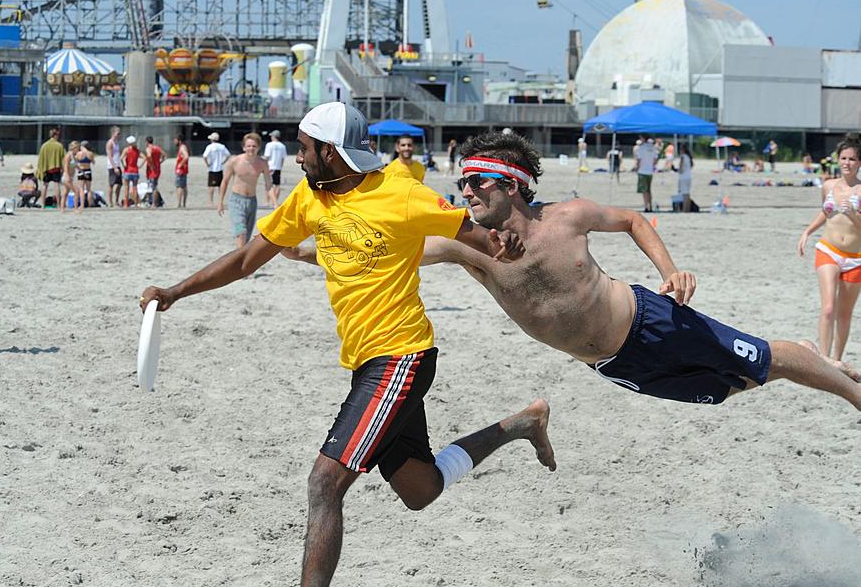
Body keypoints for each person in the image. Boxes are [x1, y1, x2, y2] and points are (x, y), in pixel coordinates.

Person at [140, 103, 552, 587]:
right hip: (367, 364)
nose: (299, 156)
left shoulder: (402, 193)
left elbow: (483, 240)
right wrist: (174, 292)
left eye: (306, 148)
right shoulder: (311, 196)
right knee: (420, 490)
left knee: (324, 483)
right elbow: (245, 262)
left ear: (329, 151)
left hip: (401, 358)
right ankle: (520, 424)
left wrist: (508, 243)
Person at [291, 131, 861, 411]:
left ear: (509, 185)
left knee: (766, 358)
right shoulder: (465, 246)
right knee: (731, 389)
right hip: (613, 363)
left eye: (476, 183)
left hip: (651, 320)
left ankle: (846, 388)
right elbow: (388, 253)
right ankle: (828, 367)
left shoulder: (567, 217)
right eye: (460, 184)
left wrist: (672, 270)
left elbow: (635, 220)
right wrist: (308, 252)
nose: (464, 192)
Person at [796, 134, 861, 366]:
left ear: (859, 163)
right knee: (828, 308)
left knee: (844, 314)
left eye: (852, 159)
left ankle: (837, 360)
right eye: (843, 158)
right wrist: (807, 232)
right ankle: (823, 360)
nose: (847, 163)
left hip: (855, 257)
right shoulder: (829, 186)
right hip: (829, 249)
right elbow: (825, 212)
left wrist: (853, 214)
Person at [217, 132, 273, 248]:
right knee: (240, 232)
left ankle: (240, 260)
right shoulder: (234, 161)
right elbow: (225, 181)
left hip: (252, 202)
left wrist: (275, 203)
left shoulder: (262, 163)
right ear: (243, 147)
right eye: (248, 146)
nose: (251, 149)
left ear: (258, 147)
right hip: (236, 202)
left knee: (246, 237)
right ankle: (239, 263)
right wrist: (220, 202)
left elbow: (268, 185)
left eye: (254, 146)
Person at [36, 127, 65, 208]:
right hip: (56, 168)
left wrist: (40, 169)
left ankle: (43, 204)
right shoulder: (59, 145)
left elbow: (40, 158)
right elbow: (63, 158)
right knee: (56, 185)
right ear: (55, 135)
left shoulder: (44, 146)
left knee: (45, 185)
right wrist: (64, 169)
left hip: (46, 168)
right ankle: (59, 204)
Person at [202, 131, 230, 206]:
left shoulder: (210, 147)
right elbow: (228, 155)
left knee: (211, 186)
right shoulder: (222, 146)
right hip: (220, 167)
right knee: (220, 185)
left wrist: (207, 164)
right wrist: (223, 162)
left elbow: (204, 156)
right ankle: (220, 200)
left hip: (212, 168)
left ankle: (211, 201)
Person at [263, 129, 288, 206]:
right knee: (277, 185)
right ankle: (275, 201)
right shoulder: (282, 146)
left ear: (273, 137)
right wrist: (280, 166)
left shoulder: (269, 145)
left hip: (270, 167)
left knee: (268, 184)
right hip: (278, 167)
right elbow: (283, 158)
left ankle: (268, 201)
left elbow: (266, 156)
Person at [636, 136, 657, 212]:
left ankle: (646, 206)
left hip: (642, 171)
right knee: (649, 190)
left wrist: (637, 169)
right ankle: (650, 205)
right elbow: (655, 160)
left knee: (644, 190)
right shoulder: (653, 148)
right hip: (650, 171)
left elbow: (639, 160)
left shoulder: (641, 148)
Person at [144, 136, 165, 207]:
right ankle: (154, 202)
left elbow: (149, 156)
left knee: (153, 187)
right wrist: (160, 162)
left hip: (152, 170)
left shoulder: (149, 148)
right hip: (157, 169)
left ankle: (154, 203)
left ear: (146, 141)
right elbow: (164, 155)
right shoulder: (157, 148)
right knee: (154, 185)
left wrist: (151, 164)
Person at [60, 140, 80, 213]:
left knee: (65, 192)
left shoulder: (74, 156)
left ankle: (62, 209)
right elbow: (65, 166)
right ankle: (75, 209)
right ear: (74, 148)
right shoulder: (68, 155)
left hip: (71, 176)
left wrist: (80, 169)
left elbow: (74, 165)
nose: (78, 150)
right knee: (76, 191)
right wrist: (67, 176)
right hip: (66, 176)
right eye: (77, 148)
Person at [75, 140, 95, 212]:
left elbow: (75, 162)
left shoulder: (78, 154)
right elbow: (93, 162)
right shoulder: (90, 153)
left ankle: (82, 205)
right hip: (88, 170)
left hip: (81, 171)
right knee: (89, 189)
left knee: (81, 189)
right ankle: (90, 204)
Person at [122, 135, 141, 207]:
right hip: (135, 170)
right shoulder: (137, 150)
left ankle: (126, 204)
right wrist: (140, 166)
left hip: (127, 170)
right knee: (135, 187)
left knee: (126, 188)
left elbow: (121, 158)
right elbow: (145, 157)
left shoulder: (126, 150)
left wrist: (124, 165)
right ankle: (136, 204)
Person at [106, 126, 122, 208]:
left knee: (119, 184)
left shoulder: (117, 143)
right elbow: (109, 156)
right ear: (113, 133)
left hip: (118, 165)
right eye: (118, 133)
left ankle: (116, 201)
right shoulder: (110, 143)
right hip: (112, 166)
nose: (119, 135)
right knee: (111, 184)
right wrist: (114, 167)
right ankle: (110, 202)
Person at [675, 143, 693, 213]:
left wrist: (676, 170)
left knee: (684, 194)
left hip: (683, 178)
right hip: (688, 177)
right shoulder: (688, 157)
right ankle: (687, 209)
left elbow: (681, 168)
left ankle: (684, 209)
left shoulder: (683, 157)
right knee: (687, 194)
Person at [174, 134, 189, 208]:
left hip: (181, 170)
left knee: (179, 186)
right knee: (184, 186)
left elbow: (186, 156)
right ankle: (183, 203)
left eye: (176, 140)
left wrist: (180, 164)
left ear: (179, 141)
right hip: (184, 170)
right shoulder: (183, 147)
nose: (174, 141)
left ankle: (179, 203)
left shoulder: (182, 147)